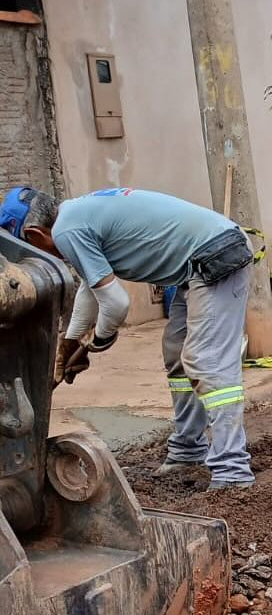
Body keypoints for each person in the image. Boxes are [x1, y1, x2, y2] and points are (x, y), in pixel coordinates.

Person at [8, 186, 256, 490]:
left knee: (207, 361)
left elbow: (116, 303)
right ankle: (188, 451)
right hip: (198, 262)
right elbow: (91, 288)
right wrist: (70, 340)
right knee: (177, 355)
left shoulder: (67, 231)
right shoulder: (74, 214)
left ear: (34, 236)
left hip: (216, 256)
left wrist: (97, 342)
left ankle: (232, 472)